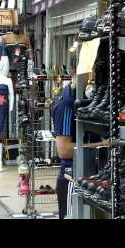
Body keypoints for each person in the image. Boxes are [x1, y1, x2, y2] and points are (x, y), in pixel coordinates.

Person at [51, 78, 76, 219]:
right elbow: (64, 150)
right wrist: (101, 145)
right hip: (70, 175)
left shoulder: (72, 99)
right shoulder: (67, 103)